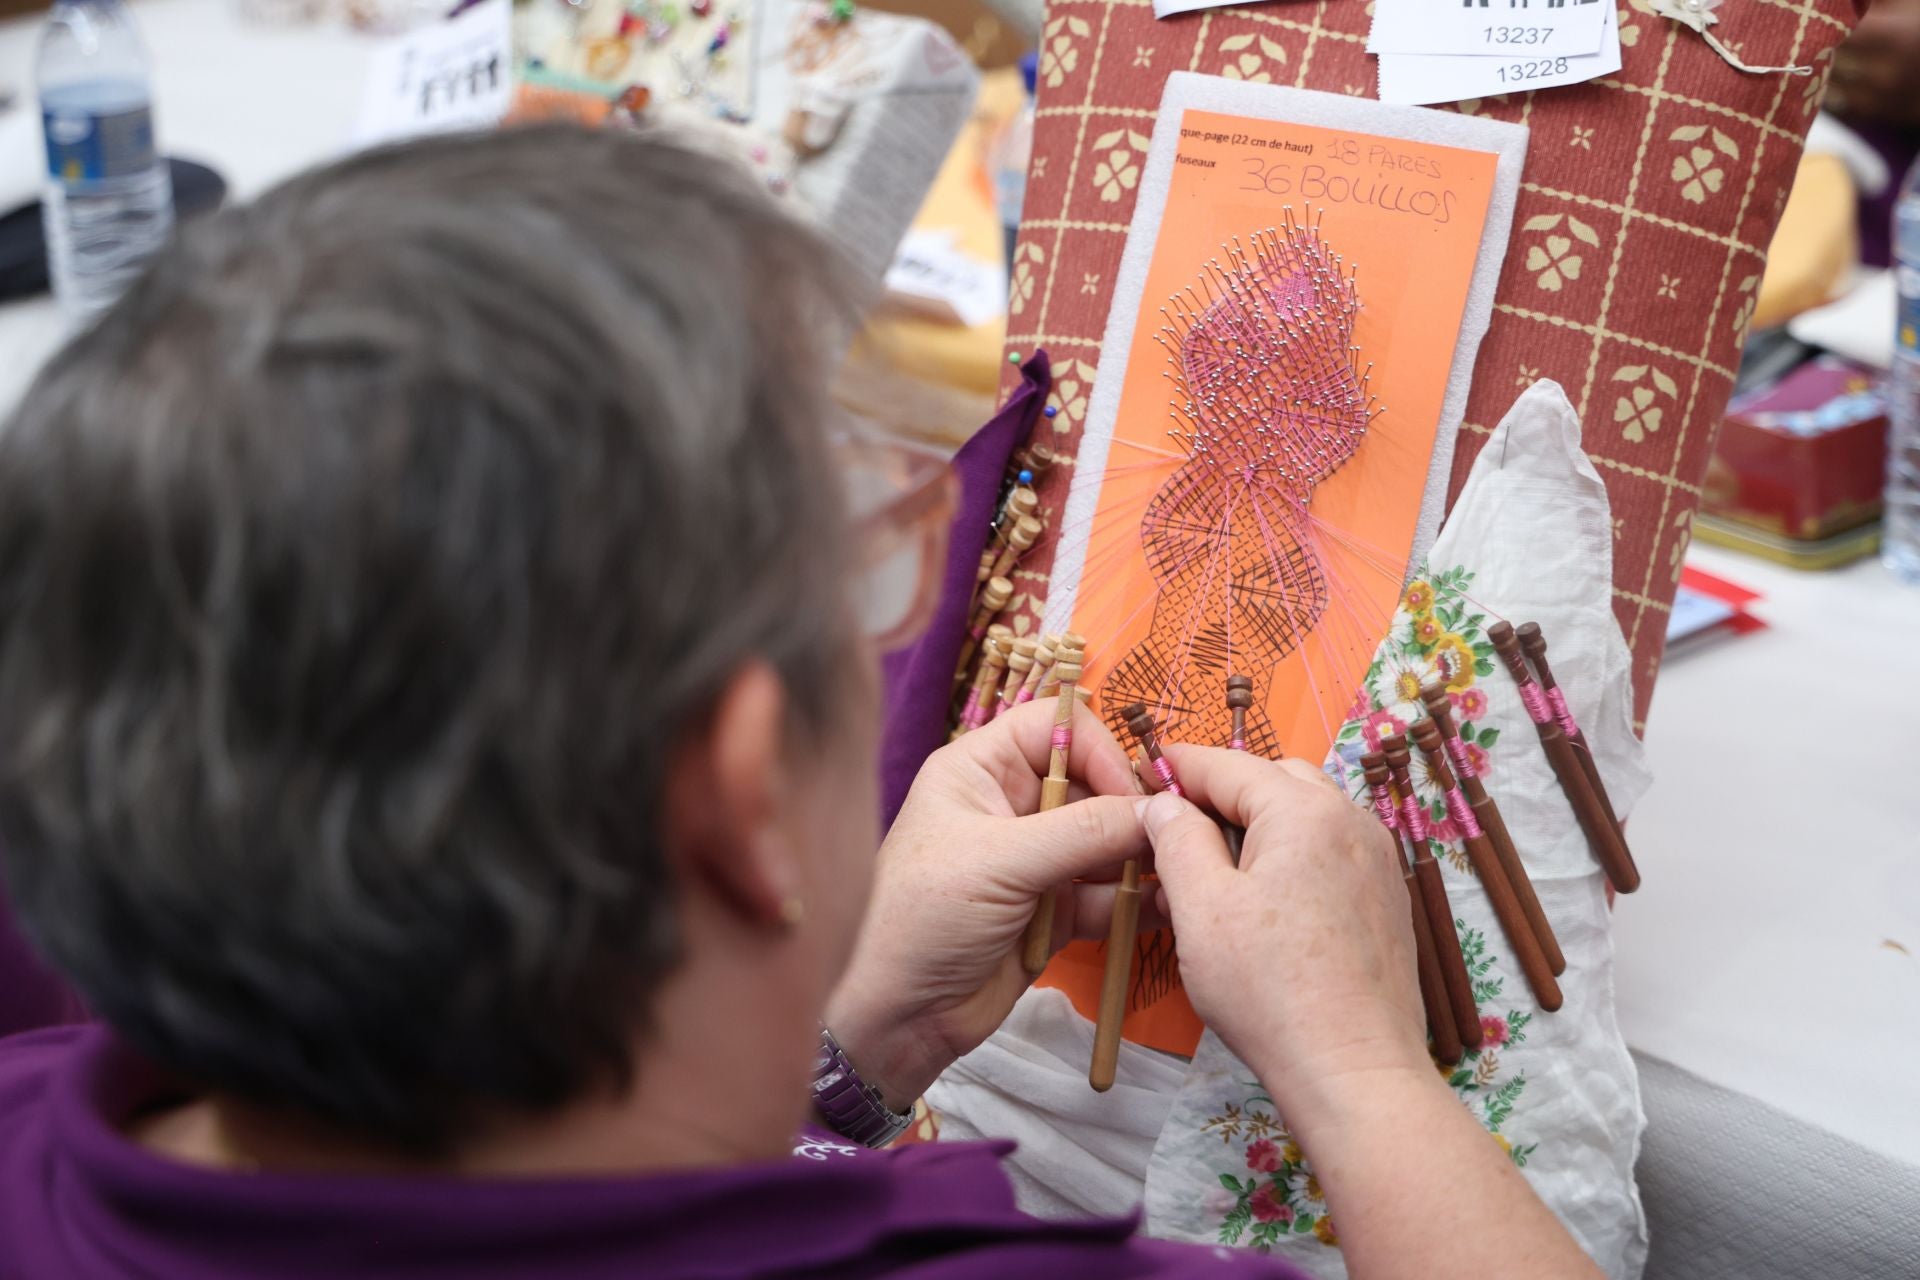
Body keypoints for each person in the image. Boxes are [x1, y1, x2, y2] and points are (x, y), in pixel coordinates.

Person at [0, 125, 1601, 1279]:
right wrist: (1366, 1076)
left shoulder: (37, 1117)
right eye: (864, 589)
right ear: (746, 800)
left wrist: (842, 1055)